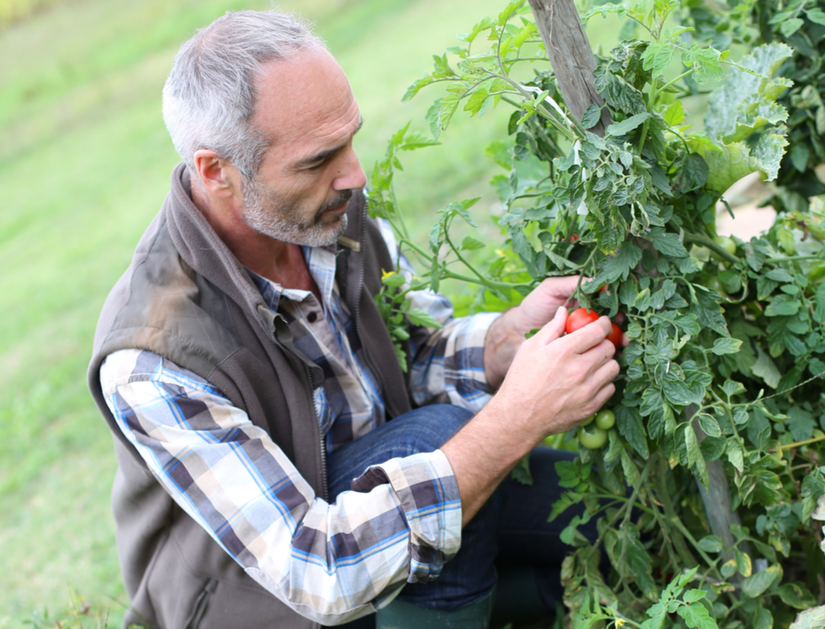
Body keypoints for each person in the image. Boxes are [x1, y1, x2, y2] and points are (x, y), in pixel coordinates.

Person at [87, 9, 620, 629]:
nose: (355, 174)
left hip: (362, 505)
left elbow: (408, 358)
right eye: (317, 160)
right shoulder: (155, 354)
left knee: (605, 513)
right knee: (442, 444)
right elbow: (318, 570)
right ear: (216, 172)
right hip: (269, 602)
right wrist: (516, 419)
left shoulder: (323, 215)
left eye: (350, 137)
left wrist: (506, 342)